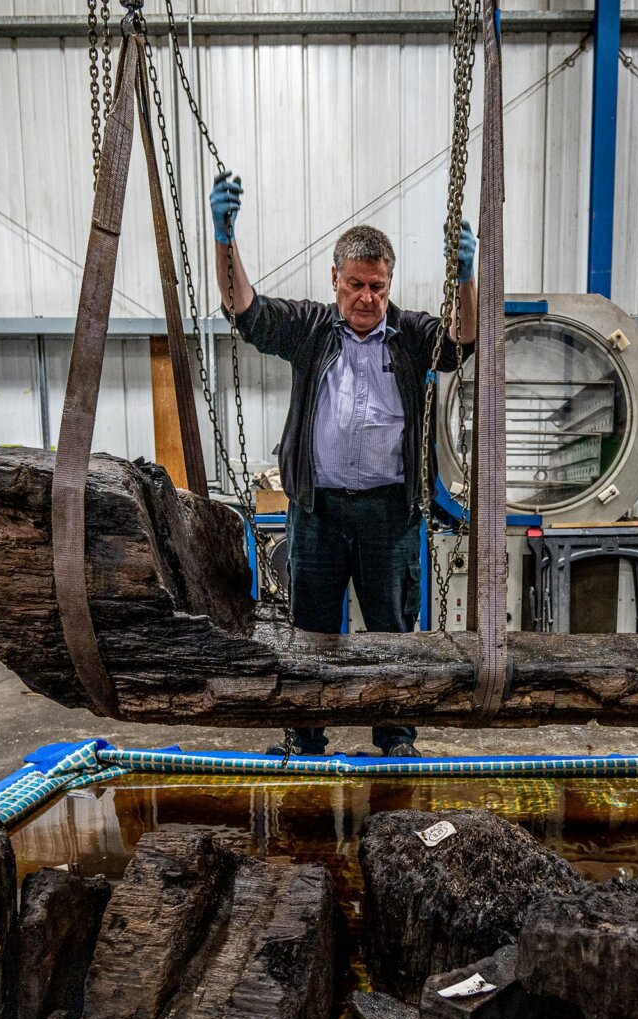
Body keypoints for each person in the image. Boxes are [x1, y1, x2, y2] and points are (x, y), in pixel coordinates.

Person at [211, 172, 478, 758]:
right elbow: (246, 313)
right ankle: (305, 736)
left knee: (392, 635)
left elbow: (461, 341)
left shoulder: (410, 337)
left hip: (390, 515)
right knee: (311, 635)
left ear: (389, 285)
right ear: (335, 280)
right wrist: (225, 239)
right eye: (356, 284)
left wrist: (464, 277)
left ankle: (396, 737)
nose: (367, 298)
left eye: (377, 287)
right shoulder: (310, 330)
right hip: (319, 513)